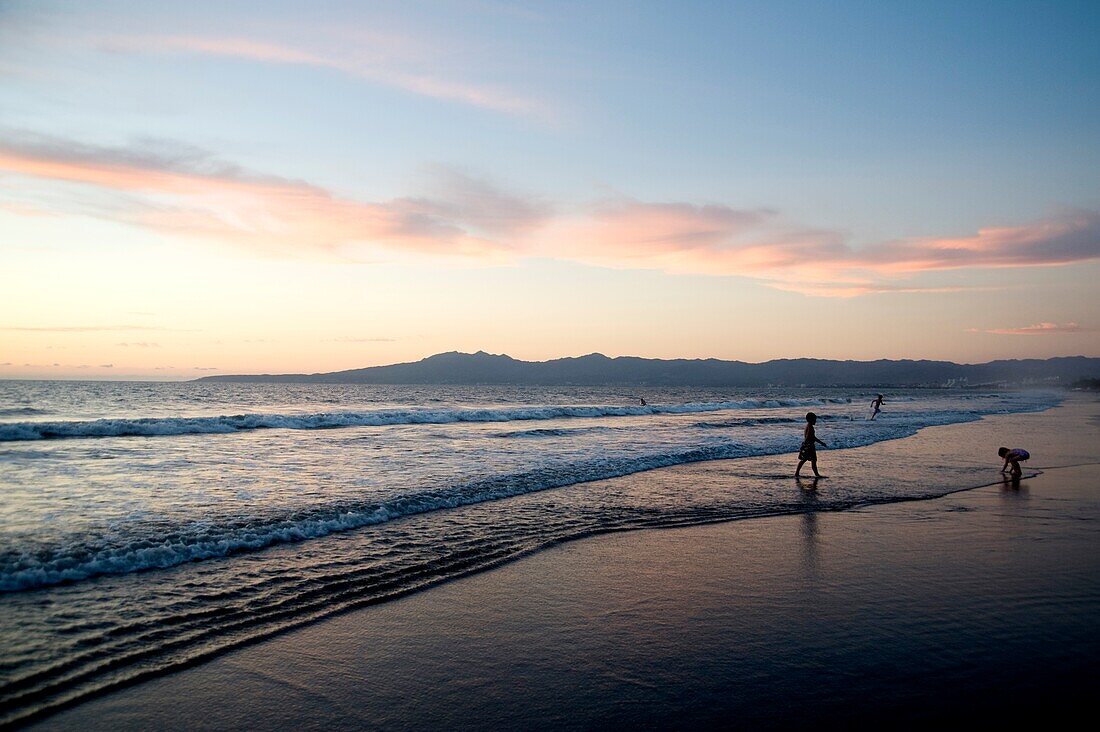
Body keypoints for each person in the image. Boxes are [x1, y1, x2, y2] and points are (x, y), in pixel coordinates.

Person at [796, 412, 828, 478]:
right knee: (813, 460)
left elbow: (810, 437)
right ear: (810, 420)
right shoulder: (810, 427)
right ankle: (816, 475)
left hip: (807, 445)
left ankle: (797, 473)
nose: (815, 421)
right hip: (809, 446)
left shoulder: (808, 426)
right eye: (814, 419)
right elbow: (811, 437)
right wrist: (821, 443)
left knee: (804, 460)